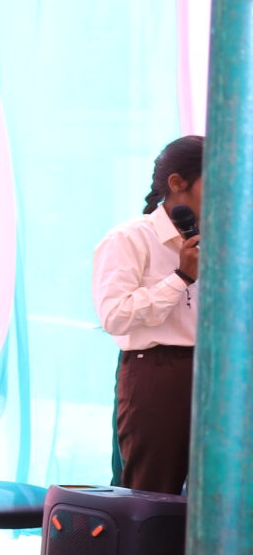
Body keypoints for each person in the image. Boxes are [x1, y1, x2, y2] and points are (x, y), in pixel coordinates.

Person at [93, 133, 202, 494]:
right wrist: (181, 277)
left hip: (217, 373)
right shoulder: (130, 238)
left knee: (218, 493)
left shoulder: (224, 240)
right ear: (178, 183)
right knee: (151, 493)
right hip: (157, 372)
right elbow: (115, 316)